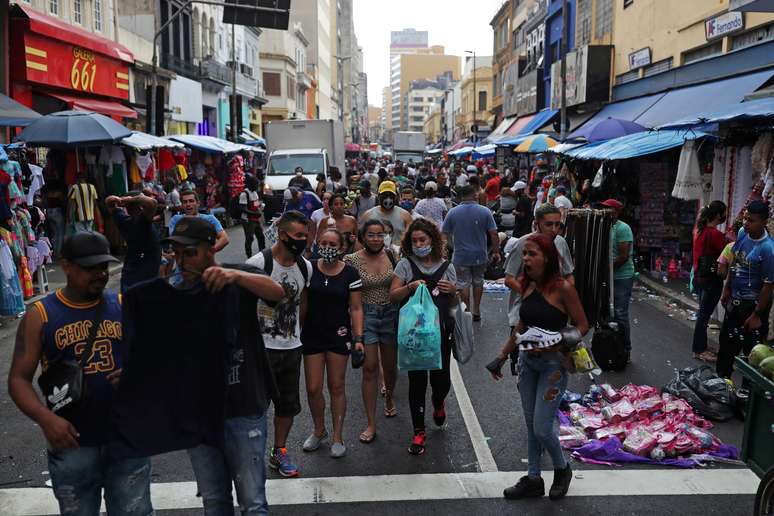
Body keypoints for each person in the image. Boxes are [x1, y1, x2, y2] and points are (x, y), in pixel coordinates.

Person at [8, 232, 153, 515]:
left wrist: (136, 376)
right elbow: (17, 379)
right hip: (72, 443)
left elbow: (153, 360)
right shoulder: (41, 314)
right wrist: (46, 419)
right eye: (90, 268)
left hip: (126, 439)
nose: (99, 274)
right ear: (66, 266)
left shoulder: (123, 305)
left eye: (103, 266)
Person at [163, 217, 284, 515]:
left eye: (188, 252)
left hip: (244, 405)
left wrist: (234, 276)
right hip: (200, 413)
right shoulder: (173, 287)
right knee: (214, 501)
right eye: (176, 253)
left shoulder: (237, 276)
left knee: (252, 501)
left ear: (208, 250)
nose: (181, 260)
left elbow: (277, 293)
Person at [490, 233, 589, 501]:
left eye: (532, 254)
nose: (526, 259)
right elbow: (521, 328)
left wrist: (559, 341)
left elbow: (582, 325)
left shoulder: (564, 288)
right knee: (531, 423)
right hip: (527, 363)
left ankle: (562, 468)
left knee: (542, 428)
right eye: (524, 254)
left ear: (547, 258)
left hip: (553, 367)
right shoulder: (528, 286)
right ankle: (534, 478)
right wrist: (500, 357)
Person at [246, 210, 313, 478]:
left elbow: (303, 302)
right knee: (255, 408)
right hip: (261, 350)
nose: (303, 241)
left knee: (287, 406)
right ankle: (250, 456)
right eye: (298, 236)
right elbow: (244, 304)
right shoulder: (259, 263)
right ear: (283, 235)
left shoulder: (304, 266)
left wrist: (297, 334)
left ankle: (279, 452)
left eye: (306, 236)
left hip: (290, 348)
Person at [389, 218, 458, 455]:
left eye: (423, 240)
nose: (419, 244)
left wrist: (454, 292)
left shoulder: (447, 266)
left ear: (433, 240)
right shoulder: (405, 266)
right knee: (417, 382)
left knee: (441, 381)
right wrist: (409, 287)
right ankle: (419, 431)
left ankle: (438, 402)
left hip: (441, 334)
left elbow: (457, 302)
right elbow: (393, 296)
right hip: (414, 337)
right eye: (415, 240)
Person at [300, 229, 364, 458]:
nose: (327, 247)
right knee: (313, 387)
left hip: (339, 335)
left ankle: (338, 436)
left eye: (332, 243)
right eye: (323, 242)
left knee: (336, 386)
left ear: (341, 248)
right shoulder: (308, 268)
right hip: (312, 335)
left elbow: (356, 308)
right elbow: (303, 304)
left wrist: (358, 338)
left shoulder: (350, 273)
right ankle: (319, 431)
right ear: (317, 244)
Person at [344, 220, 400, 443]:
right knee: (370, 368)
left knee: (390, 367)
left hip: (390, 315)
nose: (376, 239)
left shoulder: (393, 256)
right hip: (364, 315)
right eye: (371, 235)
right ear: (362, 237)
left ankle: (388, 399)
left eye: (380, 235)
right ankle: (371, 423)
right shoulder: (351, 260)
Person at [717, 201, 774, 380]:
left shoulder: (768, 249)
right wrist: (727, 288)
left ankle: (747, 397)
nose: (746, 223)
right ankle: (721, 386)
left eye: (752, 220)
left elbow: (768, 286)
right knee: (726, 347)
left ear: (764, 221)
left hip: (754, 306)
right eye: (745, 218)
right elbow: (735, 261)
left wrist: (757, 314)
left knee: (752, 354)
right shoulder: (742, 233)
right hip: (735, 300)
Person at [504, 204, 575, 328]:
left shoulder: (560, 242)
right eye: (548, 224)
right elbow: (509, 279)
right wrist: (534, 297)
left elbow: (568, 275)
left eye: (557, 225)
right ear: (537, 224)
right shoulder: (523, 243)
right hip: (524, 315)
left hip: (554, 315)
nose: (554, 229)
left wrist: (565, 296)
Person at [442, 185, 501, 321]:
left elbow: (444, 233)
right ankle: (477, 310)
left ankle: (467, 310)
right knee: (478, 280)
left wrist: (444, 250)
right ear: (475, 195)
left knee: (463, 283)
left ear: (461, 196)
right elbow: (494, 233)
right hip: (480, 255)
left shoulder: (453, 212)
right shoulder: (485, 211)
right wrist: (496, 251)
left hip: (461, 255)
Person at [691, 201, 727, 363]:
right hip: (711, 279)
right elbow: (727, 253)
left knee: (703, 313)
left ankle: (702, 346)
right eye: (724, 213)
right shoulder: (714, 234)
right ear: (718, 215)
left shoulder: (701, 231)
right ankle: (699, 349)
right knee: (704, 315)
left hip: (700, 277)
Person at [106, 191, 160, 293]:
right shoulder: (143, 222)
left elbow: (109, 201)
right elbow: (152, 203)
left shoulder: (123, 220)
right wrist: (130, 200)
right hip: (144, 282)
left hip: (129, 279)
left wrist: (122, 200)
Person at [602, 198, 635, 361]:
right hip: (609, 276)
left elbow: (623, 256)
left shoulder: (623, 228)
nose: (606, 212)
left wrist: (605, 269)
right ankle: (609, 348)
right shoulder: (603, 226)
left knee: (621, 313)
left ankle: (625, 349)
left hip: (622, 277)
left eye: (610, 210)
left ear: (617, 212)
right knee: (607, 313)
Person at [362, 181, 413, 245]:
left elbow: (411, 239)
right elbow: (361, 240)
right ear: (379, 196)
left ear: (395, 197)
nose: (388, 198)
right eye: (385, 195)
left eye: (391, 195)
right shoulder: (368, 215)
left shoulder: (405, 216)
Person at [239, 175, 266, 259]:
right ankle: (249, 256)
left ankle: (262, 254)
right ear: (251, 184)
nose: (257, 187)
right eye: (256, 185)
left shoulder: (254, 193)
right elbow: (243, 209)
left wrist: (260, 206)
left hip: (255, 218)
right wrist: (254, 213)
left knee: (261, 236)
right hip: (248, 219)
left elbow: (256, 204)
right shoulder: (244, 194)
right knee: (249, 238)